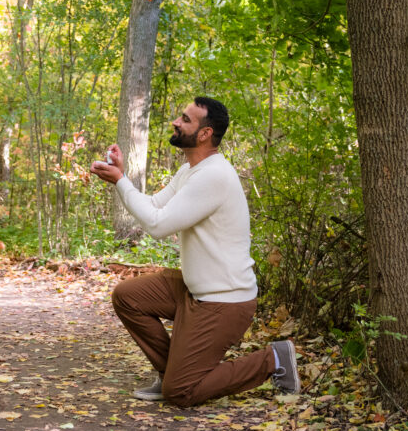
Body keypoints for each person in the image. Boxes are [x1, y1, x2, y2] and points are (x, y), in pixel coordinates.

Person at [90, 96, 300, 407]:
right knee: (128, 296)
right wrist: (123, 177)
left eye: (186, 119)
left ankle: (274, 359)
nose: (176, 122)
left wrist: (121, 182)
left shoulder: (214, 176)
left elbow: (158, 226)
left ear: (205, 133)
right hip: (194, 290)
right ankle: (171, 371)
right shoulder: (192, 170)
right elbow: (153, 206)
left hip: (223, 300)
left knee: (182, 393)